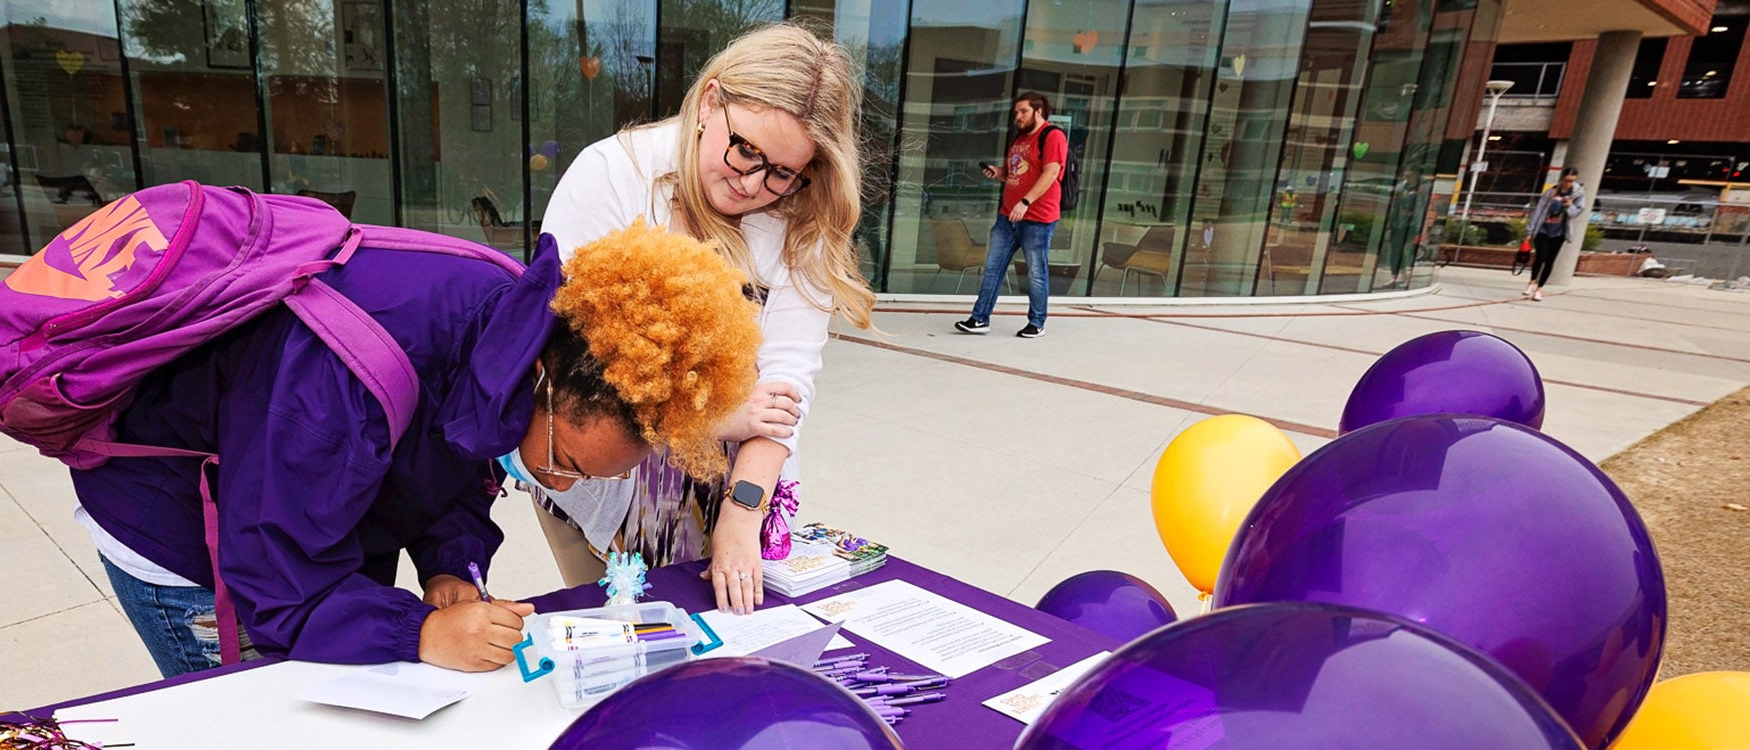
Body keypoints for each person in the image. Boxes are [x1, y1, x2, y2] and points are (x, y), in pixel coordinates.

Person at [69, 222, 761, 677]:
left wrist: (447, 563)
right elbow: (278, 591)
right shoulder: (336, 382)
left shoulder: (518, 332)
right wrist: (419, 637)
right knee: (256, 711)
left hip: (301, 506)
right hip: (184, 529)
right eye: (570, 465)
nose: (564, 487)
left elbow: (453, 450)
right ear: (546, 385)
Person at [531, 22, 875, 617]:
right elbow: (571, 361)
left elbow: (787, 384)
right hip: (602, 463)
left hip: (736, 470)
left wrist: (744, 511)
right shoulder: (613, 176)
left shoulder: (802, 216)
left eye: (782, 173)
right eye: (745, 150)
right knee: (624, 639)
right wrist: (714, 415)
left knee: (726, 641)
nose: (751, 184)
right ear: (710, 101)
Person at [955, 91, 1069, 339]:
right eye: (1016, 112)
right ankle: (979, 319)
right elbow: (1016, 174)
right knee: (993, 268)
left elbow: (1050, 173)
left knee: (1036, 272)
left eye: (1023, 111)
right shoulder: (1019, 140)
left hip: (1037, 218)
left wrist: (1025, 201)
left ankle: (1037, 322)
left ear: (1039, 112)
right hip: (1008, 217)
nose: (1017, 116)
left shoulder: (1053, 135)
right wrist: (998, 173)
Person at [1523, 167, 1585, 301]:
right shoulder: (1551, 192)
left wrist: (1569, 206)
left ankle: (1540, 289)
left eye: (1572, 181)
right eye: (1566, 180)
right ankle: (1532, 282)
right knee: (1540, 256)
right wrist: (1530, 230)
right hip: (1543, 229)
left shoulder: (1578, 194)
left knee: (1550, 260)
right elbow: (1538, 210)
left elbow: (1576, 213)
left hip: (1559, 232)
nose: (1568, 183)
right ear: (1562, 178)